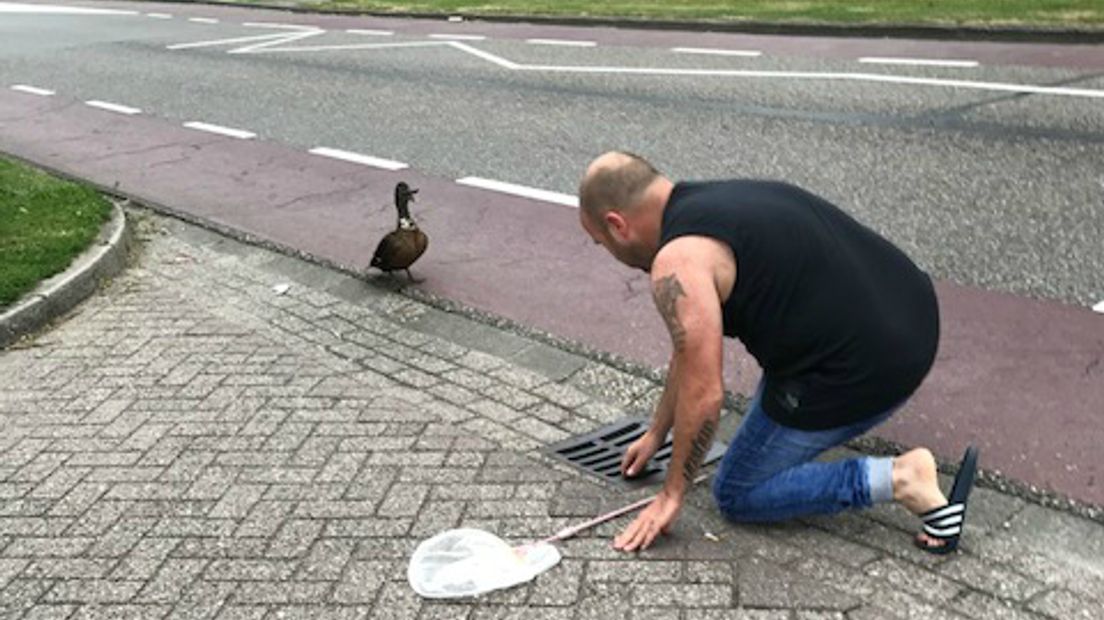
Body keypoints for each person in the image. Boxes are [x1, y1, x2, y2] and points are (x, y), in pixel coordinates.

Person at [577, 150, 978, 555]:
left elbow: (705, 394)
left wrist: (671, 494)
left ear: (617, 225)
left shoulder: (677, 262)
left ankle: (902, 477)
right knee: (756, 417)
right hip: (911, 313)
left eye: (600, 242)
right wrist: (656, 433)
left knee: (738, 490)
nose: (608, 252)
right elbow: (688, 352)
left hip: (869, 365)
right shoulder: (707, 201)